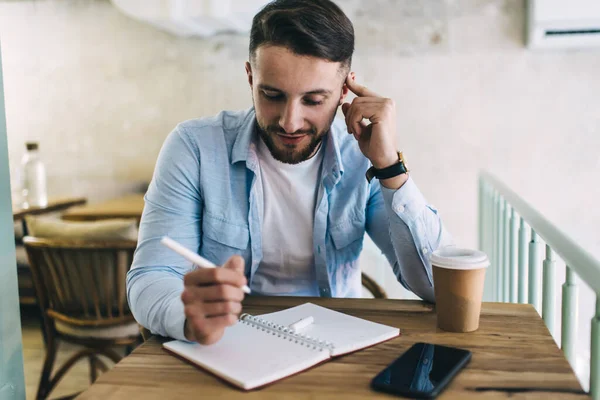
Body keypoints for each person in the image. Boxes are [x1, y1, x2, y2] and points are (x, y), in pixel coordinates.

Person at [127, 0, 452, 345]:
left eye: (313, 100)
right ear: (250, 78)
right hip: (228, 345)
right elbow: (151, 276)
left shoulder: (361, 158)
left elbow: (438, 287)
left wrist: (390, 167)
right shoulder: (193, 148)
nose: (289, 122)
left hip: (331, 346)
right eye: (271, 95)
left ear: (345, 92)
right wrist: (188, 317)